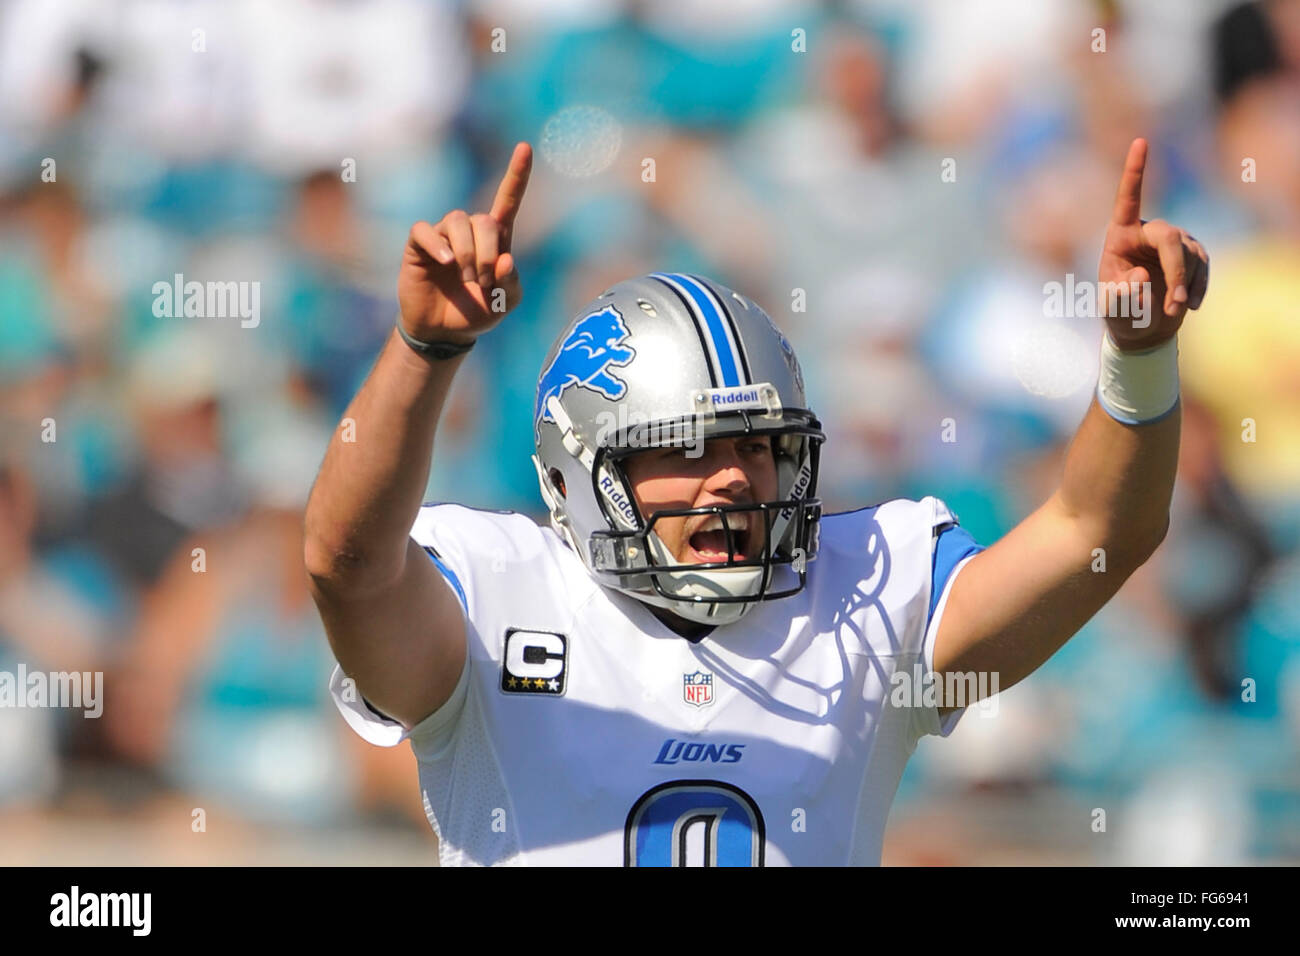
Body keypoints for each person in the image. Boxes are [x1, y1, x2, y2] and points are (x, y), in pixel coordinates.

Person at [304, 139, 1209, 865]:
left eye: (758, 446)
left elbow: (1099, 530)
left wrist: (1136, 356)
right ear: (576, 472)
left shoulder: (867, 591)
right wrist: (423, 352)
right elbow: (347, 562)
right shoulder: (496, 592)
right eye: (686, 449)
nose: (734, 477)